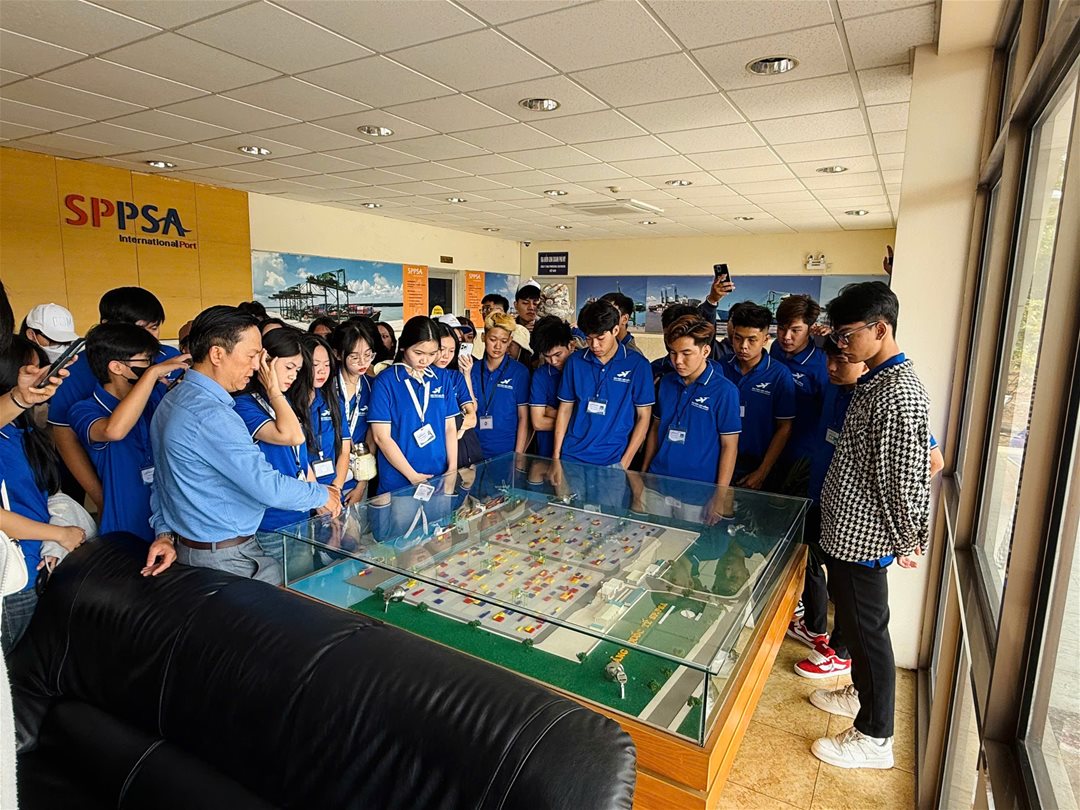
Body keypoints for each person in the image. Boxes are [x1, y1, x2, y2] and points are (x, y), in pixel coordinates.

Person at [809, 282, 932, 770]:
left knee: (868, 633)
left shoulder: (899, 393)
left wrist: (908, 539)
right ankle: (860, 695)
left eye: (847, 335)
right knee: (857, 628)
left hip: (865, 538)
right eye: (837, 335)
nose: (841, 346)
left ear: (880, 329)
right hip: (845, 531)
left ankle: (876, 736)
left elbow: (903, 478)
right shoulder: (875, 381)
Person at [143, 306, 339, 584]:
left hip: (202, 548)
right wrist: (321, 495)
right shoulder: (213, 415)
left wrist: (164, 532)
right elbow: (266, 486)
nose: (257, 366)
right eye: (251, 356)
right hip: (226, 556)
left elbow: (162, 481)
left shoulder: (173, 399)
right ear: (217, 354)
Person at [47, 287, 180, 511]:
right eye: (139, 329)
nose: (148, 337)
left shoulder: (169, 358)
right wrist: (102, 498)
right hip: (118, 484)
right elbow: (66, 438)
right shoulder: (74, 371)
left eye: (154, 328)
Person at [0, 337, 85, 653]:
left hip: (40, 565)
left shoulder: (17, 428)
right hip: (14, 577)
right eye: (31, 370)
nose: (41, 378)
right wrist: (60, 534)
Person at [69, 324, 189, 542]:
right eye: (145, 361)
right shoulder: (84, 410)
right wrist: (151, 375)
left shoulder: (155, 396)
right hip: (126, 524)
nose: (152, 365)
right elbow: (114, 430)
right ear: (117, 367)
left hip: (171, 518)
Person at [232, 327, 314, 559]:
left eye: (297, 370)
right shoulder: (244, 405)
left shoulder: (284, 400)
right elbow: (293, 436)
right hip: (271, 520)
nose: (293, 376)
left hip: (300, 511)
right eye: (289, 367)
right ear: (265, 362)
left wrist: (318, 496)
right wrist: (273, 389)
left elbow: (301, 456)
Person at [642, 314, 740, 487]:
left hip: (699, 487)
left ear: (705, 351)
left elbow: (729, 446)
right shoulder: (666, 382)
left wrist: (721, 493)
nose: (678, 361)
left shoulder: (725, 391)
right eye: (673, 353)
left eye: (686, 353)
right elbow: (655, 429)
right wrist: (643, 473)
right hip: (657, 480)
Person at [553, 301, 653, 469]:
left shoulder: (638, 365)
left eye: (600, 338)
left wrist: (624, 463)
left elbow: (644, 416)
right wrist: (556, 457)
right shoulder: (575, 362)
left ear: (615, 330)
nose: (594, 346)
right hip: (571, 456)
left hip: (612, 460)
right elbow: (565, 409)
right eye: (589, 338)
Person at [368, 317, 459, 494]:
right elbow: (381, 437)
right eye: (418, 353)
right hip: (399, 480)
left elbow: (449, 427)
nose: (425, 360)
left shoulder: (442, 378)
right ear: (403, 346)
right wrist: (413, 476)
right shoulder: (386, 381)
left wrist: (452, 469)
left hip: (439, 475)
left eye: (432, 354)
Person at [720, 302, 796, 490]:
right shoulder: (720, 367)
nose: (743, 346)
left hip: (757, 465)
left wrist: (762, 471)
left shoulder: (779, 375)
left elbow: (784, 427)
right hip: (719, 459)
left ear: (765, 339)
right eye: (738, 338)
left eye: (752, 340)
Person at [770, 295, 829, 497]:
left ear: (810, 329)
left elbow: (827, 412)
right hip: (771, 445)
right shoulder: (775, 349)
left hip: (802, 454)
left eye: (795, 330)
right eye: (781, 328)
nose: (786, 337)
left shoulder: (821, 363)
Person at [330, 320, 378, 505]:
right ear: (338, 354)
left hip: (358, 473)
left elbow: (372, 437)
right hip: (327, 475)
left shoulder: (373, 388)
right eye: (354, 357)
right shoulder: (326, 387)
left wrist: (362, 484)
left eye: (368, 355)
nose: (363, 362)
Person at [471, 312, 530, 459]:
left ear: (510, 340)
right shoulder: (471, 370)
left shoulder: (519, 372)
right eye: (493, 339)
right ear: (483, 337)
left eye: (504, 341)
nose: (498, 346)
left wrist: (518, 456)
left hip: (506, 451)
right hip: (473, 449)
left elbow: (523, 418)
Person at [299, 333, 350, 494]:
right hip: (303, 492)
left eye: (327, 365)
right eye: (315, 365)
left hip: (332, 490)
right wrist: (319, 498)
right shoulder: (288, 405)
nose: (322, 371)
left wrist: (336, 490)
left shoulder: (333, 401)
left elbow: (344, 450)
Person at [432, 322, 481, 468]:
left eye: (452, 350)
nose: (446, 355)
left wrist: (453, 430)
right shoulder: (420, 377)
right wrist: (459, 426)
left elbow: (472, 417)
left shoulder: (455, 376)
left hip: (463, 448)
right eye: (441, 349)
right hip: (433, 450)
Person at [529, 316, 574, 458]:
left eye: (558, 354)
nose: (553, 361)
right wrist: (577, 420)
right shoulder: (541, 375)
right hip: (547, 453)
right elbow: (538, 423)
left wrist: (550, 412)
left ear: (571, 346)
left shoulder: (583, 370)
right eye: (547, 356)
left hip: (578, 453)